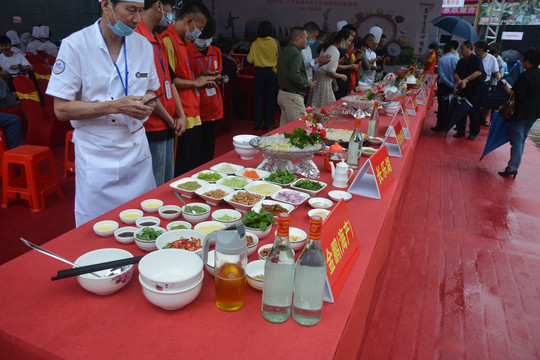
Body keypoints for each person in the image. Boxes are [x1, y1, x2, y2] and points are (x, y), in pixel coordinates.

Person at [46, 0, 160, 226]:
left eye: (139, 11)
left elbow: (150, 88)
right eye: (130, 10)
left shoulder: (143, 45)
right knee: (98, 227)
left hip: (136, 149)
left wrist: (148, 101)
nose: (137, 19)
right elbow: (61, 109)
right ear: (107, 5)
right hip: (97, 151)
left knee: (144, 221)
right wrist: (114, 106)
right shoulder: (76, 45)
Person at [136, 0, 186, 186]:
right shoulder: (136, 37)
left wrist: (181, 115)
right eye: (170, 8)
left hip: (167, 123)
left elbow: (169, 80)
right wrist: (171, 120)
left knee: (166, 184)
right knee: (154, 188)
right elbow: (145, 93)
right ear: (159, 5)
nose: (171, 12)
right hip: (152, 125)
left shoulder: (157, 39)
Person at [162, 0, 215, 176]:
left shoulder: (184, 43)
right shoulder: (167, 41)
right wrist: (195, 83)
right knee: (180, 169)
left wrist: (199, 77)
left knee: (191, 166)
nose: (198, 33)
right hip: (181, 113)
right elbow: (169, 80)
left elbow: (182, 75)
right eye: (199, 27)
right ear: (188, 21)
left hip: (193, 111)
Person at [187, 16, 224, 164]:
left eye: (209, 38)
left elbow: (219, 73)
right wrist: (197, 79)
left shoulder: (216, 51)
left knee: (209, 151)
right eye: (203, 37)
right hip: (196, 108)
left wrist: (218, 79)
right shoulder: (186, 51)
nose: (205, 42)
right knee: (194, 153)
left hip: (215, 107)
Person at [499, 47, 540, 178]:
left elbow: (516, 96)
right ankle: (515, 165)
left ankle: (512, 167)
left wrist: (507, 90)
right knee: (522, 139)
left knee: (516, 140)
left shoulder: (525, 76)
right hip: (533, 113)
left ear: (527, 61)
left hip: (520, 113)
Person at [276, 27, 313, 126]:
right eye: (305, 38)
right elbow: (294, 75)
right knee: (299, 130)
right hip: (292, 97)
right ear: (298, 39)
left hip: (283, 94)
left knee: (285, 131)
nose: (307, 40)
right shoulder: (295, 53)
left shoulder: (286, 50)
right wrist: (307, 83)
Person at [247, 21, 279, 130]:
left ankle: (257, 123)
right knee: (270, 99)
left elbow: (249, 59)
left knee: (258, 99)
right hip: (271, 73)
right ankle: (267, 123)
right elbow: (279, 57)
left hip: (259, 73)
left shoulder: (255, 43)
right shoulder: (275, 42)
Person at [307, 29, 349, 108]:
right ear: (343, 39)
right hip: (324, 83)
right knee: (326, 108)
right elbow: (329, 72)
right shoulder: (335, 50)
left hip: (319, 79)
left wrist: (337, 62)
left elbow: (326, 66)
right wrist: (342, 76)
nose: (349, 43)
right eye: (349, 41)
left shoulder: (329, 47)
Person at [453, 41, 485, 140]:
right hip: (462, 89)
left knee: (473, 111)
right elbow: (455, 73)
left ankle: (473, 131)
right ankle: (460, 130)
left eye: (463, 48)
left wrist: (466, 80)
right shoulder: (461, 61)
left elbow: (478, 72)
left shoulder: (476, 59)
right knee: (460, 109)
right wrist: (458, 80)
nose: (461, 51)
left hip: (473, 88)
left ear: (469, 48)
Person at [431, 43, 458, 132]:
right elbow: (458, 74)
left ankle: (440, 126)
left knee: (441, 107)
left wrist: (450, 84)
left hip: (444, 86)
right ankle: (448, 125)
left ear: (444, 50)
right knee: (451, 106)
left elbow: (442, 75)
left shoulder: (441, 60)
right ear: (452, 50)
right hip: (454, 86)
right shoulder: (457, 59)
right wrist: (454, 85)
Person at [475, 41, 501, 127]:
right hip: (474, 83)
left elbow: (496, 72)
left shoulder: (492, 59)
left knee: (482, 103)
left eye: (476, 48)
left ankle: (479, 121)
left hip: (484, 84)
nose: (475, 50)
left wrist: (500, 83)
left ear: (482, 49)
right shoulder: (475, 58)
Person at [334, 24, 358, 99]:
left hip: (346, 84)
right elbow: (333, 67)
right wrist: (350, 66)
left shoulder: (346, 49)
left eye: (354, 36)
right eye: (351, 35)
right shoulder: (337, 49)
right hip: (338, 84)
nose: (352, 38)